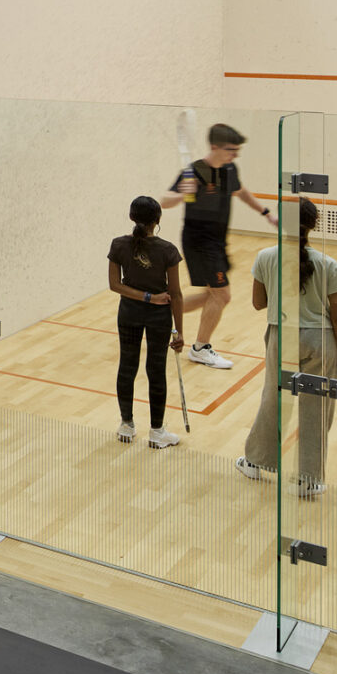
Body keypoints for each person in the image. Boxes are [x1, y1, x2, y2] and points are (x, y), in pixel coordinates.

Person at [237, 198, 337, 498]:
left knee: (273, 399)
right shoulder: (329, 265)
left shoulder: (265, 257)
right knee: (317, 407)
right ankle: (309, 480)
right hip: (320, 341)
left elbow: (259, 304)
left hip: (281, 337)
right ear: (313, 225)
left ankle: (255, 461)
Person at [160, 123, 277, 369]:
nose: (235, 154)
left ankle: (161, 309)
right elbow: (164, 201)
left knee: (212, 295)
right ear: (214, 147)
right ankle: (200, 348)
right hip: (199, 242)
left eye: (236, 150)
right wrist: (183, 193)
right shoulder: (194, 171)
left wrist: (265, 212)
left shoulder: (229, 168)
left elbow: (240, 191)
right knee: (222, 295)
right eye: (230, 149)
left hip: (218, 241)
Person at [107, 196, 186, 448]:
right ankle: (156, 432)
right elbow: (175, 293)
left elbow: (115, 285)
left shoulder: (118, 245)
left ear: (131, 218)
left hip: (128, 313)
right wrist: (180, 332)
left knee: (127, 366)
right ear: (158, 220)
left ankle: (127, 425)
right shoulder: (168, 250)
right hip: (158, 317)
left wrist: (142, 297)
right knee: (156, 370)